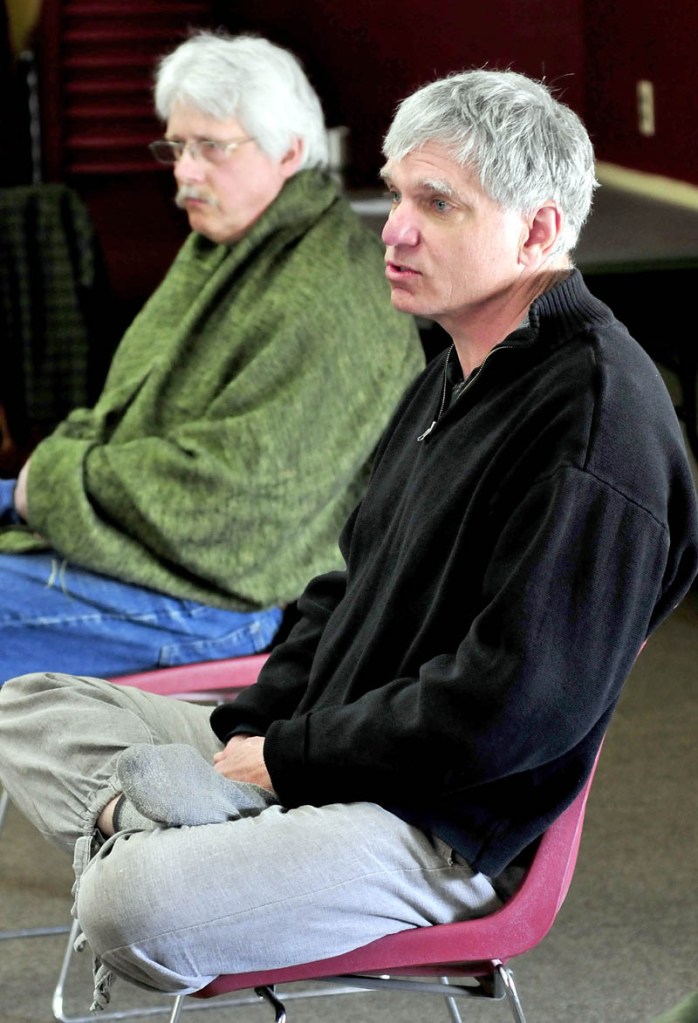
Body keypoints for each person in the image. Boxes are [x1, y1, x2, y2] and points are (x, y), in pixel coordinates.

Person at [0, 68, 696, 1012]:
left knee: (128, 899)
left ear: (536, 230)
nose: (394, 228)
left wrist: (293, 759)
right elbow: (345, 582)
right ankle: (186, 816)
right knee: (25, 707)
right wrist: (266, 726)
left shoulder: (595, 427)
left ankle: (164, 829)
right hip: (324, 743)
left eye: (436, 204)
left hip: (435, 821)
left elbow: (508, 711)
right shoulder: (461, 358)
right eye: (397, 192)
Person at [0, 31, 423, 679]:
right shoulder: (225, 247)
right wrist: (42, 485)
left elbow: (239, 515)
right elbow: (120, 416)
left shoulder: (332, 293)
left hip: (230, 600)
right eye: (177, 146)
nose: (184, 170)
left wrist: (49, 484)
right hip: (153, 556)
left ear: (289, 151)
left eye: (211, 149)